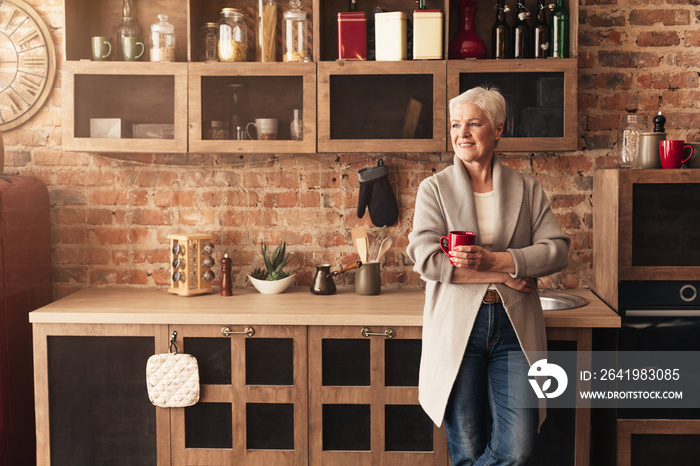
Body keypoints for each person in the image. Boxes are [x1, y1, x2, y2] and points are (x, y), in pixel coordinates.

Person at [406, 86, 570, 465]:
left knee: (517, 448)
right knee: (465, 448)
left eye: (473, 123)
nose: (462, 133)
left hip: (515, 329)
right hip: (458, 328)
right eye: (456, 125)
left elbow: (557, 250)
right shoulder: (434, 189)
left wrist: (496, 262)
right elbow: (428, 262)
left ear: (498, 129)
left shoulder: (526, 188)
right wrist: (507, 276)